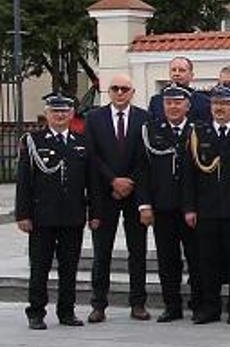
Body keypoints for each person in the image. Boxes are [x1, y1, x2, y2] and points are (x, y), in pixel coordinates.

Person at [18, 94, 90, 329]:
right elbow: (24, 182)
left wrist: (95, 212)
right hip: (42, 217)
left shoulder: (80, 142)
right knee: (40, 267)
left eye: (65, 111)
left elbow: (91, 182)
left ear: (71, 115)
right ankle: (36, 312)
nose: (60, 115)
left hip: (72, 215)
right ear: (47, 114)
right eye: (55, 111)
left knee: (69, 268)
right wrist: (23, 214)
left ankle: (66, 311)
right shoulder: (33, 141)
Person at [82, 73, 149, 322]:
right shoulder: (94, 118)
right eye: (115, 89)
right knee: (102, 252)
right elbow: (92, 155)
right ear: (107, 92)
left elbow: (145, 157)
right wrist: (113, 180)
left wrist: (129, 182)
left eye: (125, 89)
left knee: (138, 251)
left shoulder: (144, 118)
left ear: (132, 92)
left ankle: (138, 303)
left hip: (135, 192)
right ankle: (98, 304)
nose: (120, 93)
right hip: (104, 193)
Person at [184, 86, 230, 324]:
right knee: (207, 262)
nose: (219, 108)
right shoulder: (198, 134)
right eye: (215, 104)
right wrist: (190, 207)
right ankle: (210, 307)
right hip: (206, 209)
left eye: (224, 104)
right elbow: (189, 175)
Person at [135, 86, 195, 322]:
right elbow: (142, 170)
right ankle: (172, 305)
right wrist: (144, 205)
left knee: (196, 258)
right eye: (168, 103)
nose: (173, 107)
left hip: (191, 208)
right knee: (167, 260)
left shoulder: (197, 131)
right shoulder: (151, 132)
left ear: (187, 106)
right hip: (163, 206)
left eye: (178, 102)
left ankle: (198, 302)